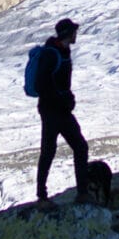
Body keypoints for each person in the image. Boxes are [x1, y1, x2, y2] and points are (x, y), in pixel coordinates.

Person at [28, 18, 91, 202]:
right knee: (60, 149)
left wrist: (66, 99)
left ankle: (77, 192)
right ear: (68, 34)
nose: (75, 35)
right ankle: (46, 195)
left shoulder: (62, 51)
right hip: (53, 110)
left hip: (56, 109)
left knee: (64, 149)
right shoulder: (53, 54)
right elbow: (43, 85)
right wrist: (64, 99)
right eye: (73, 32)